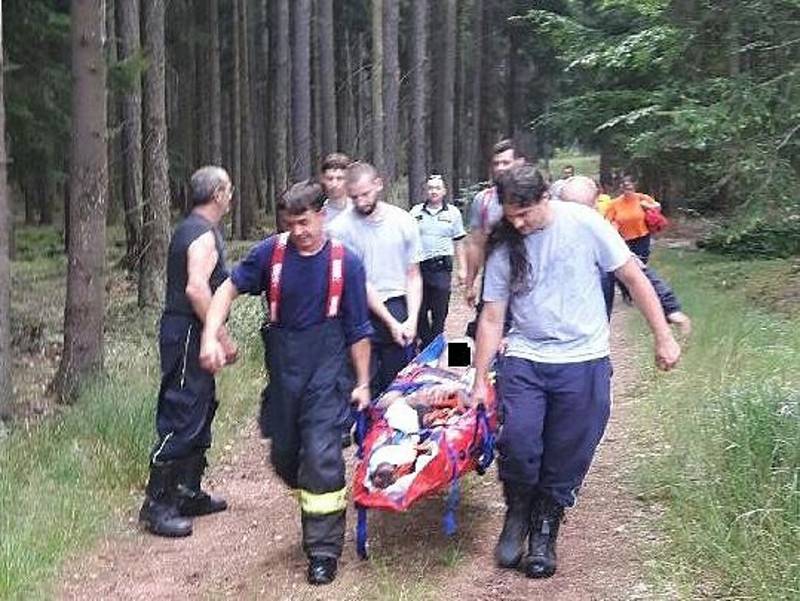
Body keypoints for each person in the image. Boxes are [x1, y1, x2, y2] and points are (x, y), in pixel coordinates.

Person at [470, 164, 681, 579]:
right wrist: (478, 378)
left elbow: (633, 278)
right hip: (527, 357)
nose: (518, 221)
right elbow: (492, 318)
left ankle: (545, 527)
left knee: (568, 451)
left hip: (583, 359)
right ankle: (517, 511)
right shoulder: (505, 241)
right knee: (519, 442)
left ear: (545, 198)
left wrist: (663, 335)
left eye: (525, 212)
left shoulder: (585, 224)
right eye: (510, 213)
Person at [199, 180, 372, 585]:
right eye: (291, 223)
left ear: (322, 215)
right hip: (285, 375)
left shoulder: (346, 263)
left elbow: (359, 331)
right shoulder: (270, 255)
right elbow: (227, 288)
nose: (298, 231)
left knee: (321, 456)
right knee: (285, 456)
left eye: (305, 222)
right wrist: (211, 334)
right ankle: (313, 494)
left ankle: (324, 551)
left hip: (328, 373)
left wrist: (363, 383)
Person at [139, 166, 237, 538]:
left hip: (194, 331)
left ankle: (187, 491)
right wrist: (220, 337)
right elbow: (197, 289)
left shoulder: (196, 229)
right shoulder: (200, 235)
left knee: (200, 407)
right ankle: (157, 505)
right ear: (216, 194)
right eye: (227, 189)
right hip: (187, 333)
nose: (231, 195)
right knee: (181, 411)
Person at [328, 161, 423, 395]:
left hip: (397, 302)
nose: (361, 202)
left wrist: (411, 319)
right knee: (364, 383)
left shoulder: (404, 221)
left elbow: (413, 274)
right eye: (354, 197)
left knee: (399, 383)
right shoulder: (340, 229)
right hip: (359, 307)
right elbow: (361, 281)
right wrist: (391, 322)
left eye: (365, 194)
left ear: (378, 185)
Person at [561, 176, 692, 334]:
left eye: (582, 208)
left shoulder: (600, 235)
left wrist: (670, 309)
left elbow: (638, 274)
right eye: (571, 207)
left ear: (595, 203)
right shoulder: (540, 234)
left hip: (591, 341)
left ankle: (627, 296)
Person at [464, 139, 525, 336]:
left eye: (506, 163)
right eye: (496, 163)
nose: (500, 168)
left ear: (520, 163)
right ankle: (461, 365)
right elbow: (476, 244)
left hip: (528, 279)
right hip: (494, 278)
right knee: (480, 329)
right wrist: (470, 283)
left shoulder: (537, 198)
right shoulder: (483, 200)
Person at [409, 174, 467, 348]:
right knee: (418, 311)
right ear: (425, 191)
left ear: (444, 191)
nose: (433, 191)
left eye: (437, 188)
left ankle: (437, 346)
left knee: (439, 312)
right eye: (430, 188)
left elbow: (459, 242)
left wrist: (462, 268)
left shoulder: (453, 213)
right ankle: (427, 346)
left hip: (441, 268)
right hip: (420, 268)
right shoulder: (415, 212)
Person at [604, 174, 660, 264]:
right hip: (624, 238)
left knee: (641, 262)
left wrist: (649, 206)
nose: (628, 191)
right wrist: (613, 227)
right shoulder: (614, 203)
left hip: (642, 236)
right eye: (625, 188)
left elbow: (658, 207)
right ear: (621, 188)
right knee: (627, 262)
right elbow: (607, 222)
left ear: (634, 187)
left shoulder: (641, 197)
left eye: (630, 188)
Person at [319, 152, 352, 224]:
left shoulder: (359, 211)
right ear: (323, 180)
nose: (334, 184)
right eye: (330, 179)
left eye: (339, 178)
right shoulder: (319, 215)